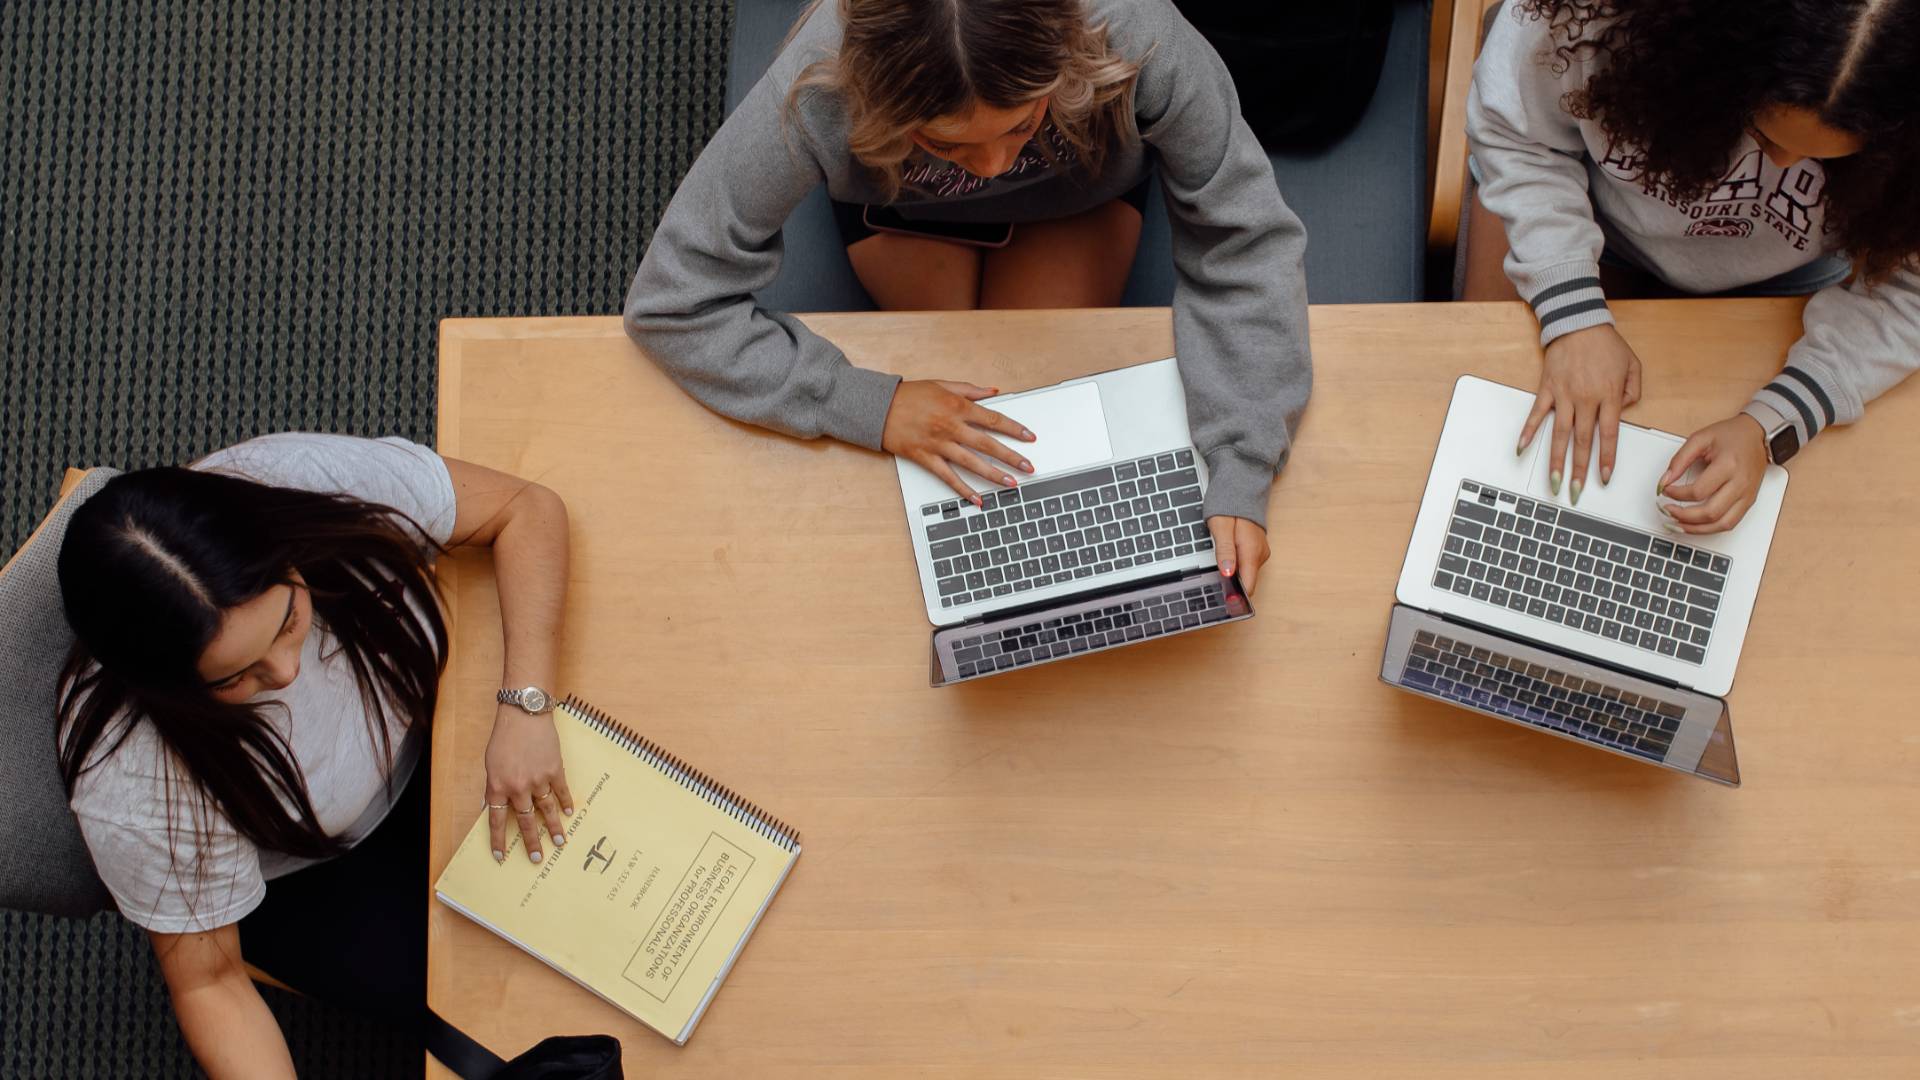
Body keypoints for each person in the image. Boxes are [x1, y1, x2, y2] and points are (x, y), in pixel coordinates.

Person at [625, 0, 1313, 594]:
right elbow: (671, 302)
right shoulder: (823, 83)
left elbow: (1243, 239)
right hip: (902, 204)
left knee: (1030, 410)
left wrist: (1242, 458)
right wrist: (867, 403)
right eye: (951, 144)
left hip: (1079, 191)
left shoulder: (1135, 29)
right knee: (956, 432)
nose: (994, 167)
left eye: (1018, 126)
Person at [55, 434, 571, 1079]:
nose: (288, 671)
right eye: (231, 677)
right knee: (525, 1018)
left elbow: (524, 509)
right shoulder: (131, 778)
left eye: (288, 620)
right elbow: (210, 980)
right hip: (320, 870)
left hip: (448, 725)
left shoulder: (291, 482)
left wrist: (524, 706)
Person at [1464, 0, 1920, 532]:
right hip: (1582, 226)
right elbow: (1514, 132)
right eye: (1765, 133)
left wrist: (1774, 422)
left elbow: (1909, 292)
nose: (1779, 165)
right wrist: (1573, 310)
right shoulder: (1596, 16)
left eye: (1826, 159)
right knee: (1502, 447)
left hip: (1786, 283)